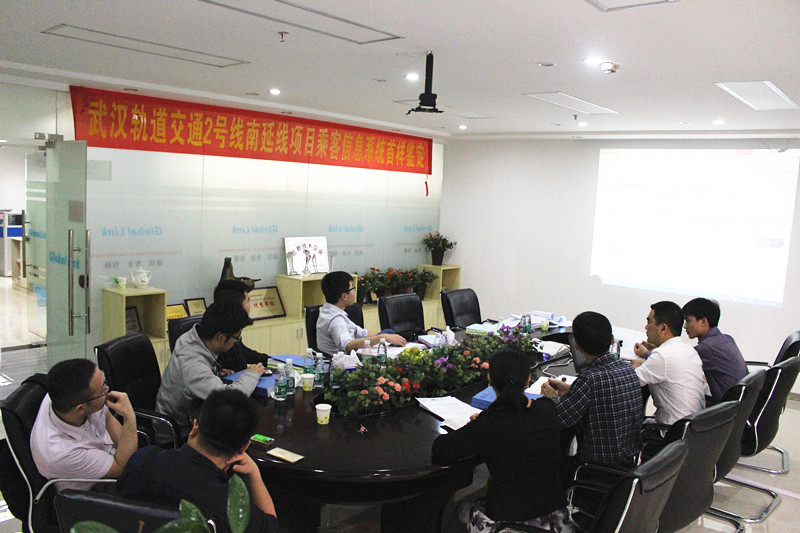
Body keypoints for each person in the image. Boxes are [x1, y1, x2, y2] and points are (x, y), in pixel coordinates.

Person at [432, 348, 576, 533]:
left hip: (510, 526)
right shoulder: (547, 409)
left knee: (461, 507)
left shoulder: (489, 423)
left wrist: (475, 426)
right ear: (528, 380)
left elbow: (441, 448)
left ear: (490, 379)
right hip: (559, 521)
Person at [117, 390, 279, 533]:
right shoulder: (232, 508)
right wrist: (254, 474)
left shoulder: (142, 461)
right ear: (244, 448)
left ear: (195, 427)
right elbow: (270, 526)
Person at [541, 311, 643, 475]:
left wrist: (551, 397)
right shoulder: (627, 368)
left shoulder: (590, 379)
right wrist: (571, 389)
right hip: (629, 463)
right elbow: (601, 395)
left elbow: (560, 418)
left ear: (576, 345)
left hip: (596, 469)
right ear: (612, 339)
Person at [155, 301, 264, 442]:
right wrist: (252, 374)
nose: (236, 342)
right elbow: (229, 398)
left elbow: (196, 377)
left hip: (197, 415)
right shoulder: (193, 361)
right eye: (237, 338)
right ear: (221, 337)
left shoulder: (192, 337)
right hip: (180, 434)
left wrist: (215, 374)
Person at [30, 359, 137, 490]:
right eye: (102, 390)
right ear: (81, 409)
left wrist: (128, 452)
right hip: (99, 489)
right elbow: (121, 467)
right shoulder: (61, 453)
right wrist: (129, 417)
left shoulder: (71, 394)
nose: (107, 389)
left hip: (114, 458)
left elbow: (108, 418)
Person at [632, 301, 706, 425]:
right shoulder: (688, 350)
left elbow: (629, 383)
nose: (646, 327)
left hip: (671, 431)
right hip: (694, 428)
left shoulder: (662, 356)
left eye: (649, 322)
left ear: (663, 328)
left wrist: (634, 367)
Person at [317, 271, 407, 354]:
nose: (354, 291)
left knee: (389, 333)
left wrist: (386, 336)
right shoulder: (336, 321)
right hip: (344, 360)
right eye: (353, 288)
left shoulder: (329, 309)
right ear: (344, 296)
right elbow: (348, 346)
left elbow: (361, 333)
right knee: (386, 337)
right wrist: (382, 337)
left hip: (353, 351)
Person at [682, 297, 747, 402]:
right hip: (741, 403)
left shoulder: (707, 348)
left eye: (688, 321)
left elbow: (675, 361)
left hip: (728, 408)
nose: (685, 326)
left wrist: (652, 350)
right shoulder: (727, 339)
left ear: (703, 321)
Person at [213, 279, 271, 375]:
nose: (250, 306)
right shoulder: (222, 338)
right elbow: (237, 368)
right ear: (236, 306)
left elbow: (244, 353)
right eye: (247, 302)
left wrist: (272, 361)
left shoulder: (230, 326)